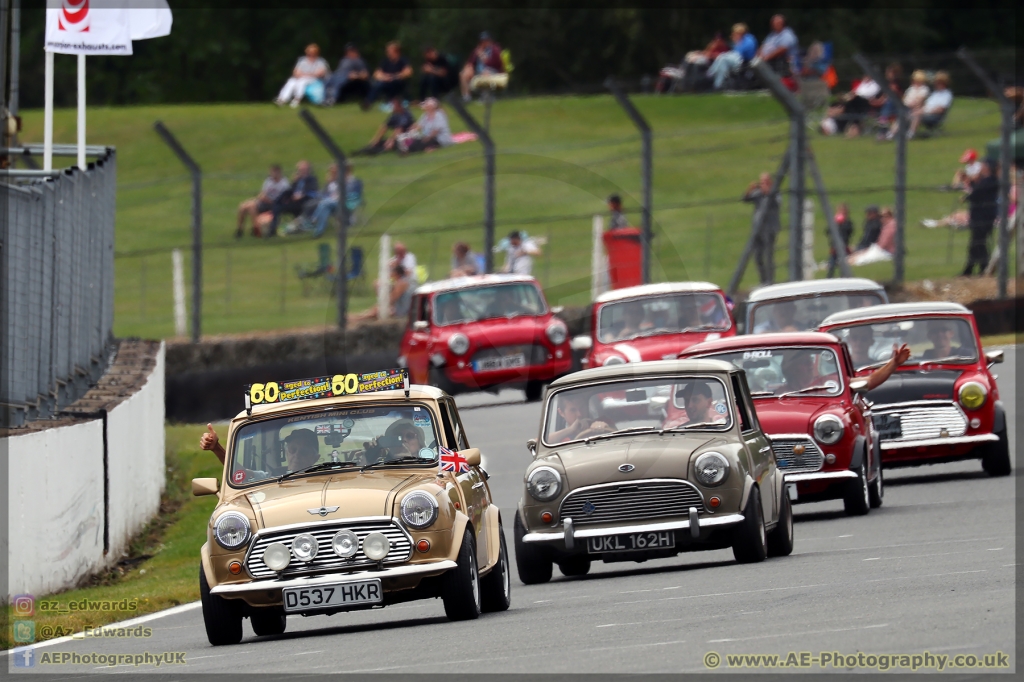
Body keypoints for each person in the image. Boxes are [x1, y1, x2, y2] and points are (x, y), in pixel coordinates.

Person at [199, 425, 320, 474]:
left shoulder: (325, 477)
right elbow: (242, 474)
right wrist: (216, 448)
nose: (297, 455)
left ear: (315, 458)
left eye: (304, 452)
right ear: (287, 451)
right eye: (293, 449)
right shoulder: (271, 476)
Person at [961, 160, 999, 276]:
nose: (980, 168)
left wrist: (967, 196)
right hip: (979, 216)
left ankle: (984, 268)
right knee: (975, 244)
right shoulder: (985, 181)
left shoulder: (990, 181)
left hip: (983, 217)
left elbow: (975, 194)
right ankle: (969, 270)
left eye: (982, 166)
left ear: (987, 167)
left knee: (979, 244)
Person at [743, 172, 781, 285]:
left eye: (765, 182)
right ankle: (763, 279)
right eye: (761, 182)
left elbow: (777, 203)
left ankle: (770, 280)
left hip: (770, 228)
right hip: (757, 229)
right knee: (758, 256)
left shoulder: (776, 193)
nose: (762, 184)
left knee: (768, 255)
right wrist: (750, 189)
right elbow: (745, 199)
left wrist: (768, 193)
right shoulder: (758, 193)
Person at [236, 164, 290, 238]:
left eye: (274, 172)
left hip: (274, 203)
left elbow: (285, 197)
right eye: (271, 172)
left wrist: (268, 200)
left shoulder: (284, 183)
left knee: (251, 207)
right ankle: (240, 229)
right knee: (243, 206)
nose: (272, 174)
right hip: (264, 201)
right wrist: (261, 197)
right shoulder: (269, 181)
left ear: (279, 172)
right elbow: (263, 193)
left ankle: (256, 229)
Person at [267, 160, 318, 237]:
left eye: (303, 169)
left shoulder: (312, 179)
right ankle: (273, 228)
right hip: (294, 201)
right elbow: (291, 190)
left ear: (308, 170)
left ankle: (298, 226)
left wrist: (301, 195)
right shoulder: (298, 180)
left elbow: (312, 190)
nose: (301, 171)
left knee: (282, 205)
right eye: (300, 170)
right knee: (277, 206)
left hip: (304, 201)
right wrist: (294, 182)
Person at [274, 44, 329, 108]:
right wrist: (305, 74)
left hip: (315, 80)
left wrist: (304, 74)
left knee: (302, 82)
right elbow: (296, 72)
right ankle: (282, 99)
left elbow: (319, 73)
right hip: (302, 77)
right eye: (309, 53)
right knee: (291, 81)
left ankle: (297, 99)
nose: (311, 55)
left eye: (313, 53)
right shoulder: (302, 60)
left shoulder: (321, 61)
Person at [707, 23, 758, 91]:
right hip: (737, 58)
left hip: (743, 61)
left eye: (735, 33)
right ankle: (717, 85)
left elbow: (741, 52)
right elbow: (735, 51)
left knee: (723, 58)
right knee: (722, 59)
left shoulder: (749, 39)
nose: (733, 34)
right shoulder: (740, 40)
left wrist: (737, 42)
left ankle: (710, 74)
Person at [362, 41, 413, 109]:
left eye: (390, 51)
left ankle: (392, 100)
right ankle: (368, 102)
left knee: (394, 82)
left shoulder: (403, 60)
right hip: (386, 81)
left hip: (399, 82)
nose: (388, 53)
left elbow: (408, 72)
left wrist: (395, 76)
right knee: (378, 84)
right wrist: (385, 77)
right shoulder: (385, 61)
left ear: (396, 52)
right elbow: (376, 74)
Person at [548, 393, 613, 444]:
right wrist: (571, 429)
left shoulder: (604, 421)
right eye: (573, 410)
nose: (579, 414)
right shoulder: (561, 438)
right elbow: (540, 443)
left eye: (582, 407)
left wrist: (603, 428)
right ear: (561, 413)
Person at [460, 32, 505, 101]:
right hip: (478, 71)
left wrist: (482, 56)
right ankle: (467, 97)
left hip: (493, 71)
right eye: (482, 41)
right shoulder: (477, 50)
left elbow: (495, 64)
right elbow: (470, 62)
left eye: (486, 40)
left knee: (485, 73)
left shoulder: (495, 49)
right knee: (463, 74)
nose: (484, 43)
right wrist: (469, 68)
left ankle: (487, 97)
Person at [908, 71, 952, 138]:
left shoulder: (947, 94)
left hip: (934, 116)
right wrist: (919, 110)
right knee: (906, 114)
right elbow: (926, 105)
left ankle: (910, 134)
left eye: (937, 82)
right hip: (926, 112)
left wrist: (923, 112)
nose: (935, 84)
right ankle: (893, 134)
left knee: (917, 116)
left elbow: (940, 110)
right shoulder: (935, 94)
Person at [755, 14, 798, 79]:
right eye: (773, 23)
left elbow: (782, 49)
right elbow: (763, 45)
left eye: (777, 23)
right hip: (768, 62)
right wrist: (759, 54)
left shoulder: (787, 35)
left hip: (782, 64)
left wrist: (767, 57)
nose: (774, 25)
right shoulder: (771, 35)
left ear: (782, 24)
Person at [826, 202, 854, 277]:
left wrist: (842, 223)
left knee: (843, 264)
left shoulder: (848, 223)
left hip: (843, 246)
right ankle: (829, 277)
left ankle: (844, 276)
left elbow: (849, 232)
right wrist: (835, 223)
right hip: (834, 247)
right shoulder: (835, 222)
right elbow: (828, 231)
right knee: (832, 264)